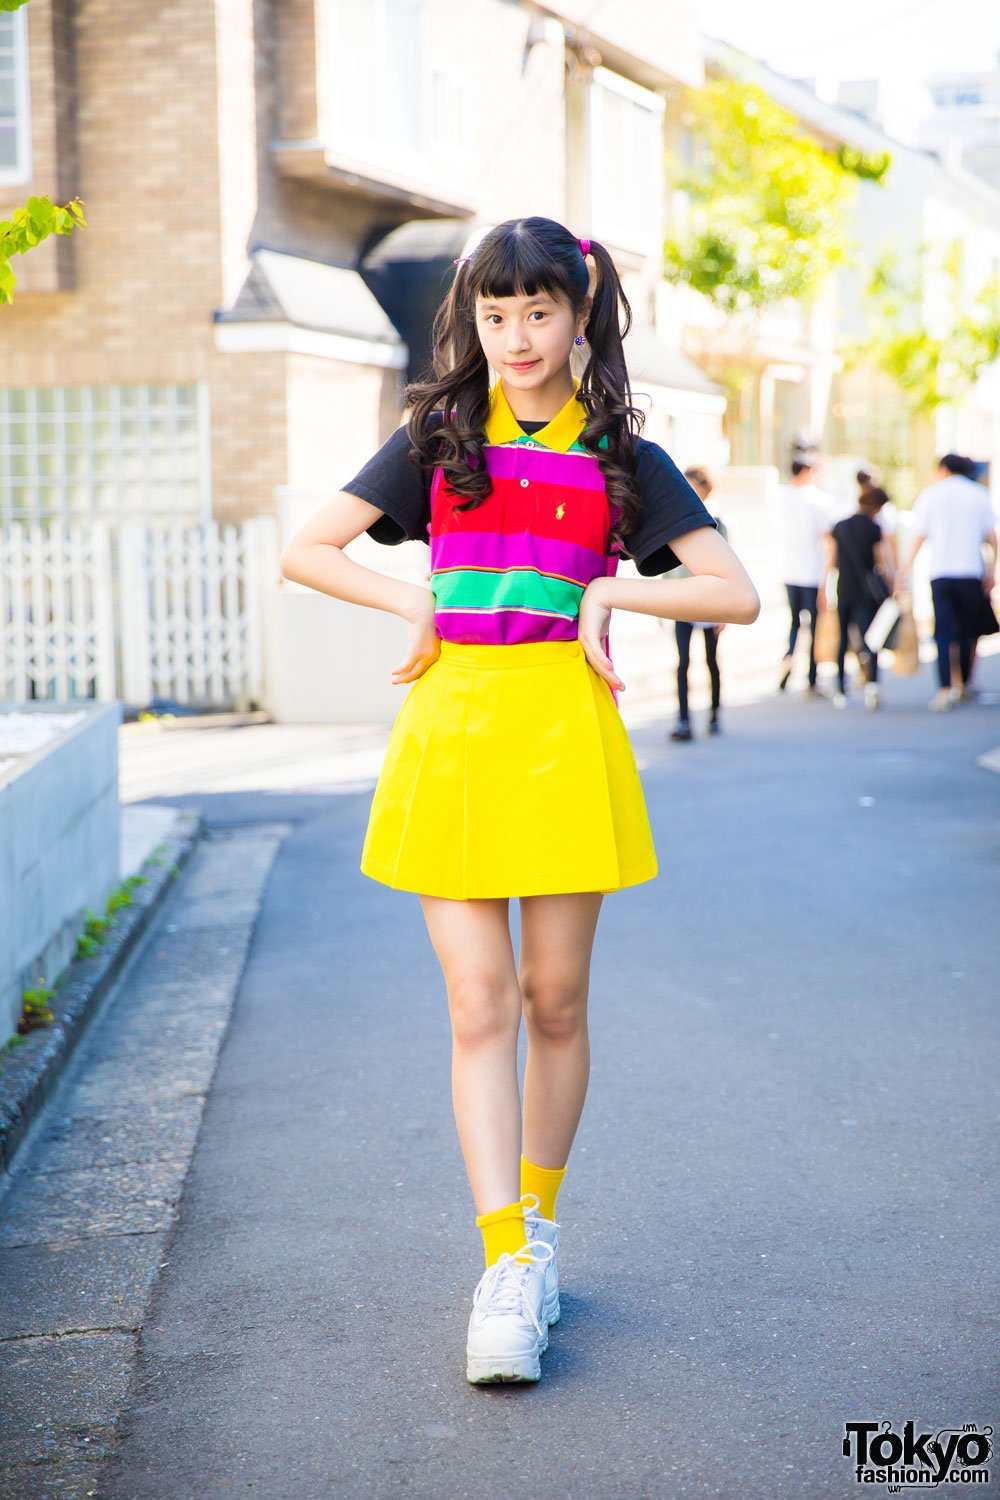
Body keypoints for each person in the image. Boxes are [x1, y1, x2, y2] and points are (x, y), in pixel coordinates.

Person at [279, 216, 759, 1386]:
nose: (516, 337)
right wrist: (409, 602)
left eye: (538, 313)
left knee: (553, 1000)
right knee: (476, 998)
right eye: (495, 317)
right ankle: (503, 1260)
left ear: (580, 312)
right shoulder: (436, 436)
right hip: (452, 730)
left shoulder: (619, 455)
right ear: (472, 316)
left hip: (559, 731)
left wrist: (610, 595)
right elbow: (311, 549)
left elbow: (733, 594)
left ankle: (536, 1230)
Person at [896, 454, 998, 711]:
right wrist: (992, 571)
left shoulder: (931, 495)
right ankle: (963, 682)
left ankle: (944, 687)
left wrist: (905, 569)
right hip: (970, 571)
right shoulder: (978, 494)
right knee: (968, 630)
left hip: (940, 572)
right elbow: (992, 538)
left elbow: (919, 536)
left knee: (943, 631)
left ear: (943, 469)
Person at [668, 466, 729, 741]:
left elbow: (728, 567)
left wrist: (725, 610)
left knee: (710, 660)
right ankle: (683, 720)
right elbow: (668, 563)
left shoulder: (717, 521)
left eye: (694, 485)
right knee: (683, 662)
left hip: (709, 603)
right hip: (681, 600)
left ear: (705, 488)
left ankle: (715, 715)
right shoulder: (675, 517)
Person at [823, 485, 892, 710]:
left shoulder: (840, 526)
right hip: (866, 592)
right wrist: (892, 586)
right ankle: (872, 686)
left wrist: (823, 587)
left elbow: (831, 560)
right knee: (870, 639)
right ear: (876, 507)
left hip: (843, 588)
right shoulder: (873, 528)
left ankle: (841, 690)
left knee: (842, 639)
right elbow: (880, 562)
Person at [775, 456, 834, 693]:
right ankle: (811, 676)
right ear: (807, 471)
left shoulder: (780, 496)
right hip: (812, 572)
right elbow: (828, 543)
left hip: (788, 570)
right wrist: (826, 581)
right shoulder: (819, 501)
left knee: (794, 622)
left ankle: (789, 656)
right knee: (813, 626)